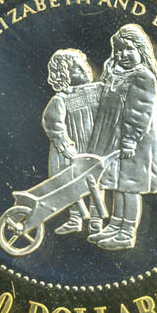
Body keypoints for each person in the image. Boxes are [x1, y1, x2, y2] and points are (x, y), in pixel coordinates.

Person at [87, 24, 157, 250]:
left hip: (134, 142)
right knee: (117, 184)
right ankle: (115, 225)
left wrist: (130, 139)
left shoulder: (143, 76)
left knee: (129, 186)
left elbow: (139, 111)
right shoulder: (116, 72)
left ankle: (127, 232)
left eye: (129, 49)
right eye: (118, 50)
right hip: (114, 138)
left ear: (141, 50)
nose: (122, 54)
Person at [42, 49, 103, 236]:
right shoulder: (61, 99)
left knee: (97, 182)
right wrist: (65, 145)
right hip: (74, 149)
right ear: (64, 76)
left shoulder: (99, 90)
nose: (85, 70)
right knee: (72, 184)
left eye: (84, 65)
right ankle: (75, 218)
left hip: (95, 146)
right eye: (77, 69)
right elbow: (53, 123)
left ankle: (96, 221)